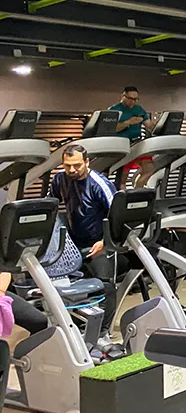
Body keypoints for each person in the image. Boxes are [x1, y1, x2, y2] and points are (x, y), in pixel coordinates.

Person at [47, 144, 119, 352]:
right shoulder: (60, 179)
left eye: (77, 165)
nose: (72, 170)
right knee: (75, 288)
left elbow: (117, 215)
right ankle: (79, 330)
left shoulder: (99, 183)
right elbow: (51, 205)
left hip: (100, 242)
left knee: (105, 286)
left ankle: (103, 334)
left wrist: (105, 241)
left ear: (87, 162)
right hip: (75, 242)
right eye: (67, 165)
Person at [110, 86, 154, 186]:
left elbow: (150, 126)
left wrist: (161, 126)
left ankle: (137, 191)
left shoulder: (139, 109)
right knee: (123, 178)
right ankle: (122, 193)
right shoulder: (114, 110)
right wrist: (129, 122)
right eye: (130, 98)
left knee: (149, 169)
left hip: (137, 144)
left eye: (135, 99)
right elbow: (112, 129)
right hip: (123, 146)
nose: (133, 102)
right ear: (123, 96)